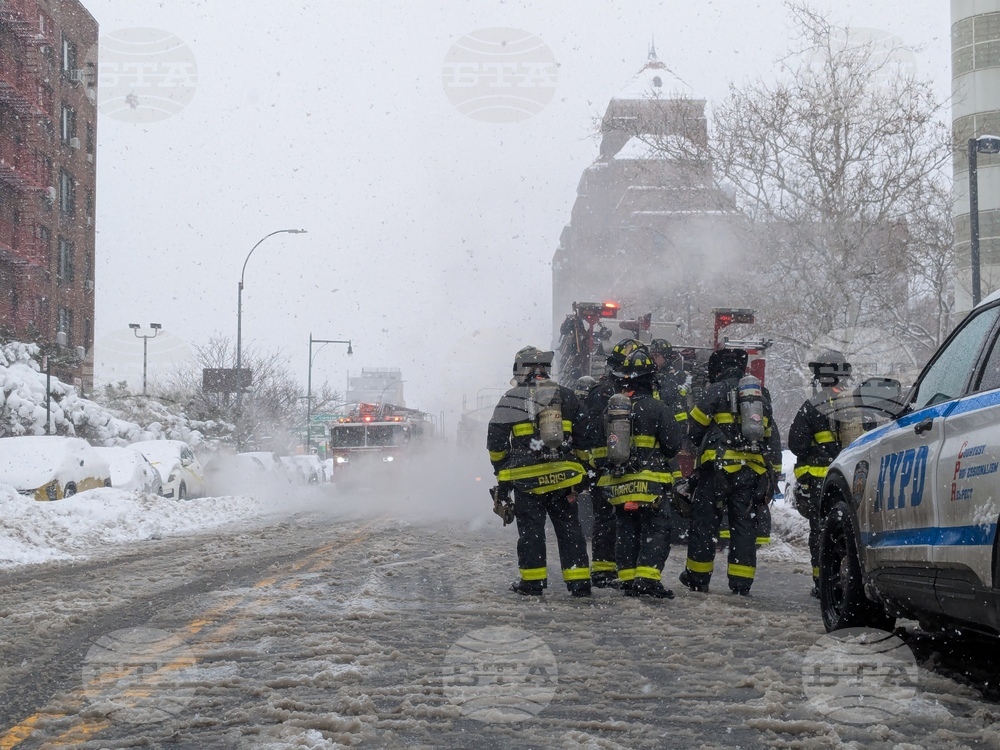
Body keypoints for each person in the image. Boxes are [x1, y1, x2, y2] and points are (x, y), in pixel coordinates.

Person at [486, 346, 592, 597]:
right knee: (570, 531)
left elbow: (495, 442)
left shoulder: (511, 398)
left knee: (531, 533)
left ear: (520, 371)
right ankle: (579, 584)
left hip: (527, 481)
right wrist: (580, 469)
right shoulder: (566, 395)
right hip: (563, 478)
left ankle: (532, 583)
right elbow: (585, 436)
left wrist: (502, 472)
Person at [680, 348, 782, 596]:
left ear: (717, 370)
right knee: (743, 526)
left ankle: (698, 578)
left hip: (717, 469)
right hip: (750, 473)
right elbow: (772, 439)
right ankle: (741, 583)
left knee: (705, 523)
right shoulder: (761, 398)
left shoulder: (714, 390)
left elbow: (694, 429)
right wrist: (772, 478)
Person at [595, 348, 682, 597]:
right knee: (656, 529)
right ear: (650, 379)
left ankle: (627, 579)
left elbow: (602, 446)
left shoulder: (612, 412)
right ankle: (647, 579)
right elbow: (672, 446)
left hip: (620, 485)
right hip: (650, 484)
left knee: (626, 530)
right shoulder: (658, 408)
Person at [579, 338, 647, 587]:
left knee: (619, 519)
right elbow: (596, 433)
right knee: (607, 518)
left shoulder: (615, 392)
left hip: (622, 468)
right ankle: (603, 570)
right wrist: (602, 465)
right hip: (608, 467)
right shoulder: (606, 393)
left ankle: (616, 568)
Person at [788, 350, 852, 597]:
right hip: (849, 479)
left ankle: (823, 582)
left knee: (821, 532)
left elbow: (797, 444)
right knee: (848, 530)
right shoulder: (854, 403)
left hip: (820, 483)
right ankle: (849, 580)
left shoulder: (811, 406)